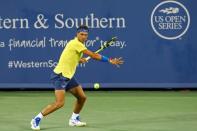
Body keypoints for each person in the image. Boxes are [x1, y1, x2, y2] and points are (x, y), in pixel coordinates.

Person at [30, 25, 124, 130]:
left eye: (86, 35)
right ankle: (36, 119)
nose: (84, 36)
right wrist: (109, 60)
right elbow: (93, 55)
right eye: (81, 34)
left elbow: (70, 57)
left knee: (82, 97)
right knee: (59, 103)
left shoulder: (77, 45)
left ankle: (74, 119)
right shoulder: (75, 43)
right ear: (77, 34)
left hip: (68, 76)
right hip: (60, 76)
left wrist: (80, 60)